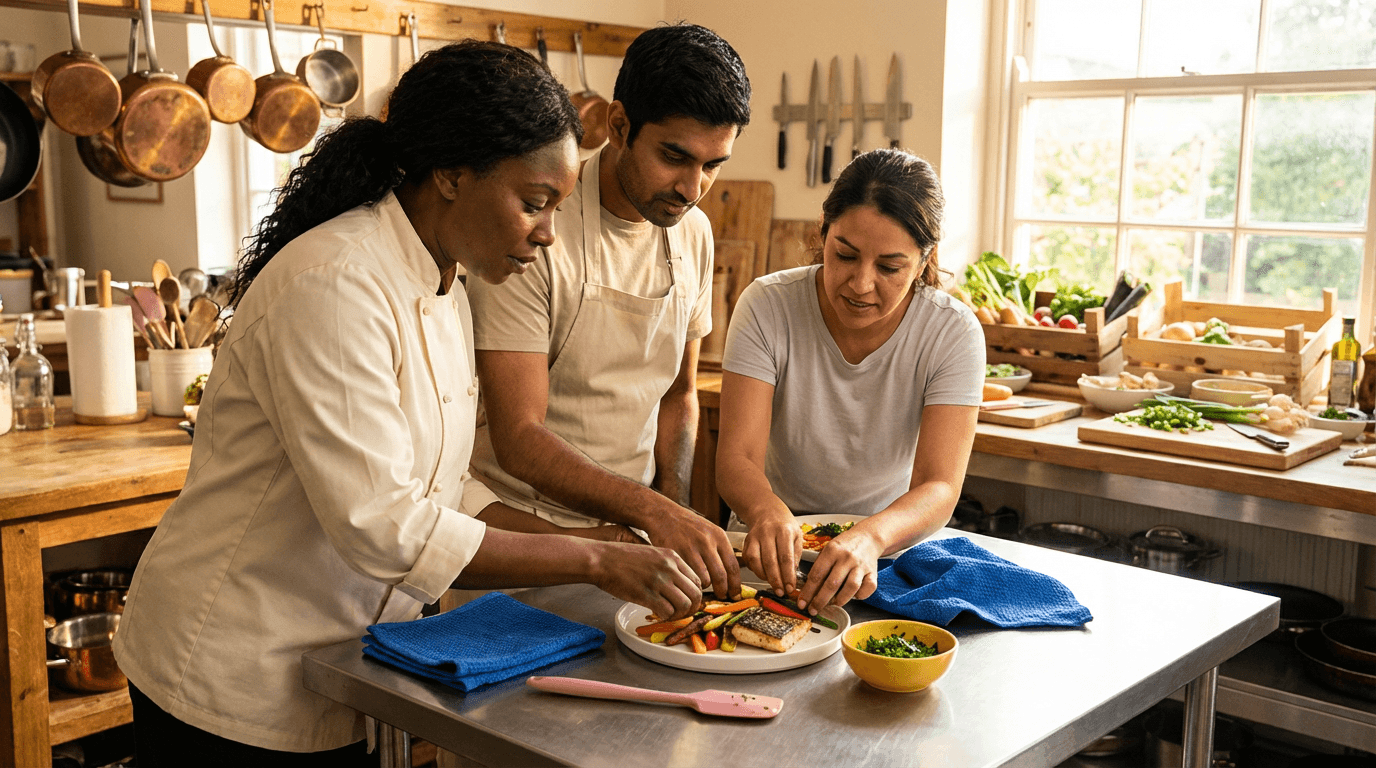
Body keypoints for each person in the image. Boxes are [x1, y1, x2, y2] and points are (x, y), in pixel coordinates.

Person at [112, 42, 702, 768]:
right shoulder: (335, 284)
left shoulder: (445, 280)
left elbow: (446, 487)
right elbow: (384, 527)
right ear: (451, 174)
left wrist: (609, 544)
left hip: (342, 665)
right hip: (231, 673)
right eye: (534, 203)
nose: (547, 235)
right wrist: (589, 560)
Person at [465, 23, 752, 600]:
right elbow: (520, 436)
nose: (694, 187)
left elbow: (678, 394)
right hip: (522, 541)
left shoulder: (693, 233)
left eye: (713, 164)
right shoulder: (537, 230)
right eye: (675, 156)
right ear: (619, 126)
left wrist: (671, 505)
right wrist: (652, 512)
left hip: (637, 542)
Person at [714, 149, 985, 615]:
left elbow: (939, 484)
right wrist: (766, 511)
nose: (860, 283)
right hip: (765, 552)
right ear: (823, 231)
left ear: (925, 260)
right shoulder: (767, 305)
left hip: (884, 557)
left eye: (889, 267)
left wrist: (870, 537)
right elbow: (736, 457)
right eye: (845, 255)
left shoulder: (952, 332)